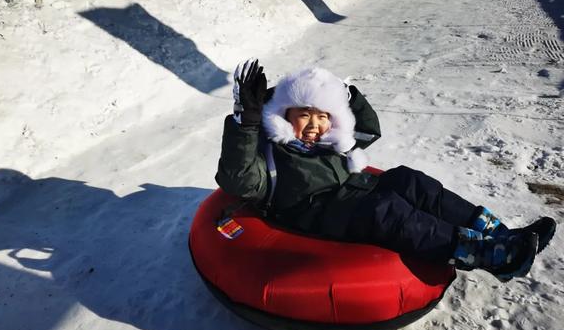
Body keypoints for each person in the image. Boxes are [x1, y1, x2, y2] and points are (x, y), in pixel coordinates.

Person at [215, 59, 557, 282]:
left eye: (323, 116)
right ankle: (490, 256)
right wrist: (245, 122)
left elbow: (368, 129)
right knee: (384, 211)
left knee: (411, 180)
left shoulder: (334, 141)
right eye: (305, 114)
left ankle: (500, 234)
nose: (315, 125)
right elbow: (238, 179)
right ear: (287, 115)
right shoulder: (272, 149)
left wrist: (347, 95)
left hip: (350, 191)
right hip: (311, 211)